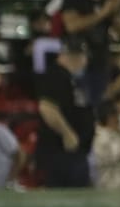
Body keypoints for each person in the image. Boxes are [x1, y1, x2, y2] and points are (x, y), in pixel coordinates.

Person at [34, 37, 96, 188]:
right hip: (60, 153)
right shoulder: (55, 75)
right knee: (61, 203)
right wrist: (67, 133)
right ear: (73, 56)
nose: (85, 62)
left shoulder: (72, 79)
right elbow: (46, 107)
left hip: (75, 153)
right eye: (83, 57)